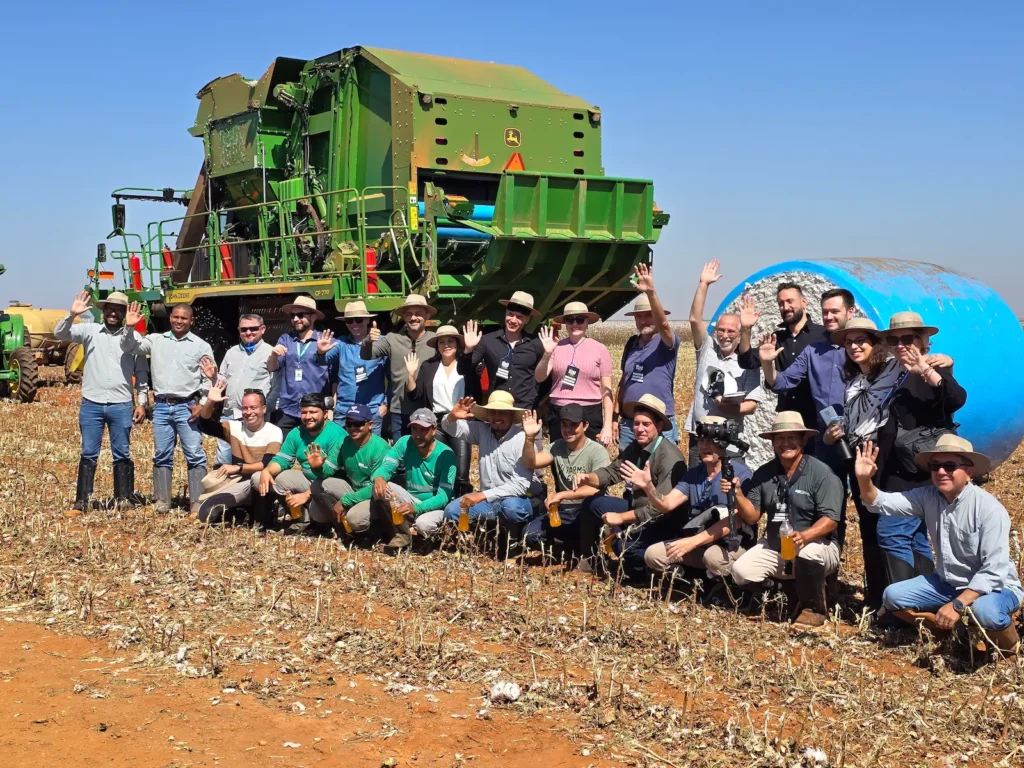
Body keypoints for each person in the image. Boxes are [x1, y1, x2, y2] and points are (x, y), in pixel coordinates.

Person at [855, 437, 1022, 656]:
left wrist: (957, 605)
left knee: (986, 612)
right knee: (893, 596)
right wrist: (864, 479)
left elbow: (993, 572)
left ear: (969, 472)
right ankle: (952, 632)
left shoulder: (989, 509)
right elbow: (879, 502)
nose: (941, 471)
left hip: (996, 587)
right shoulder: (927, 497)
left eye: (950, 466)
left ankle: (1009, 649)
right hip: (949, 583)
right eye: (935, 466)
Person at [873, 312, 967, 584]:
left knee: (891, 533)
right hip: (897, 469)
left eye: (907, 338)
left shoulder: (936, 368)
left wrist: (927, 370)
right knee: (915, 538)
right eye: (893, 339)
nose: (900, 344)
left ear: (923, 341)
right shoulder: (893, 372)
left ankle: (904, 605)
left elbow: (955, 398)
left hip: (917, 471)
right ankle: (925, 600)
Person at [729, 412, 844, 628]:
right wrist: (737, 495)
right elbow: (752, 516)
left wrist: (805, 536)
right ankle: (784, 593)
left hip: (818, 546)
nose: (785, 443)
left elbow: (831, 520)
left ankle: (815, 610)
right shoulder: (764, 473)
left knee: (809, 554)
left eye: (792, 438)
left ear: (803, 440)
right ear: (772, 443)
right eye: (779, 438)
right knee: (740, 571)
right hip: (778, 547)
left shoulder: (822, 474)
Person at [633, 416, 754, 593]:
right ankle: (690, 581)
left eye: (711, 441)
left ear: (723, 443)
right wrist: (649, 487)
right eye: (701, 441)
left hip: (731, 544)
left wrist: (691, 543)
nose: (705, 446)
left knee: (713, 558)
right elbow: (666, 504)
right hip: (700, 543)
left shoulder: (739, 473)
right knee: (653, 555)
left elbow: (736, 520)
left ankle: (731, 589)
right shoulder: (694, 474)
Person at [55, 291, 149, 514]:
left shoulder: (134, 338)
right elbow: (60, 334)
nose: (113, 313)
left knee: (122, 453)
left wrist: (142, 402)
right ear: (103, 311)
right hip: (92, 404)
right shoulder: (90, 331)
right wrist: (71, 314)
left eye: (118, 309)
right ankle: (82, 503)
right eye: (109, 309)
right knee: (88, 453)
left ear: (125, 313)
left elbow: (142, 373)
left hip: (121, 404)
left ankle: (123, 500)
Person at [573, 394, 687, 574]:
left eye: (646, 424)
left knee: (624, 546)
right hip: (636, 507)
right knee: (592, 503)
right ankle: (590, 559)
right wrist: (588, 478)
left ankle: (661, 568)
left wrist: (621, 518)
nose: (639, 429)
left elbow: (661, 509)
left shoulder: (670, 458)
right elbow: (612, 472)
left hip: (662, 522)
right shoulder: (635, 448)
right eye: (636, 423)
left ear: (659, 426)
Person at [122, 302, 215, 514]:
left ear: (192, 321)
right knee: (162, 454)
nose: (179, 321)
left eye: (184, 318)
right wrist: (129, 327)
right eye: (176, 317)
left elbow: (208, 378)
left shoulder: (201, 346)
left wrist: (201, 404)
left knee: (194, 454)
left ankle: (197, 504)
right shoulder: (156, 340)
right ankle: (162, 502)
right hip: (162, 407)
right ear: (170, 318)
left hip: (187, 407)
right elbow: (128, 347)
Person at [685, 260, 763, 466]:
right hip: (700, 436)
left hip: (729, 441)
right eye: (721, 330)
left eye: (731, 331)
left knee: (728, 491)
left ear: (739, 335)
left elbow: (752, 406)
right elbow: (694, 319)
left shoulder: (749, 364)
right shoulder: (707, 348)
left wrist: (729, 408)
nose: (725, 335)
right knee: (696, 490)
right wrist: (703, 284)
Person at [439, 393, 536, 537]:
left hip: (514, 499)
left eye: (502, 413)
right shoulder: (482, 430)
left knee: (512, 509)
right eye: (493, 412)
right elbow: (450, 428)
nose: (497, 417)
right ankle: (481, 535)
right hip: (487, 501)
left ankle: (515, 536)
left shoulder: (522, 438)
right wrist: (452, 417)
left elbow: (520, 486)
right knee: (452, 511)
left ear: (511, 415)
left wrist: (481, 495)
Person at [738, 282, 828, 435]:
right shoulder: (775, 339)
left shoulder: (823, 336)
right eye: (781, 303)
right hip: (786, 420)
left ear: (804, 302)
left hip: (817, 420)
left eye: (790, 301)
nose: (785, 307)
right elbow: (746, 361)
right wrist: (746, 329)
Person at [520, 405, 611, 553]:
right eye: (564, 425)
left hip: (588, 511)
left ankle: (581, 546)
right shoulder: (557, 446)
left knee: (587, 525)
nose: (567, 430)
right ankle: (568, 548)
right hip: (563, 511)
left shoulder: (597, 451)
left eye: (573, 425)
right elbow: (531, 462)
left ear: (585, 425)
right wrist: (529, 437)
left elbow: (596, 488)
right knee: (530, 535)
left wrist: (562, 495)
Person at [194, 381, 283, 526]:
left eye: (253, 407)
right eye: (245, 408)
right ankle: (244, 512)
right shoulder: (235, 427)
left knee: (257, 476)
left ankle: (263, 518)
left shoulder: (274, 431)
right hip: (239, 483)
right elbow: (204, 425)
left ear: (264, 409)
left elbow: (267, 464)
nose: (249, 412)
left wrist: (238, 468)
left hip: (264, 482)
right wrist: (210, 402)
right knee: (205, 513)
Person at [404, 324, 479, 491]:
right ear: (437, 346)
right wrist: (410, 375)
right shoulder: (428, 366)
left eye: (451, 341)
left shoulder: (466, 365)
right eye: (442, 342)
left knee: (461, 471)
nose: (446, 345)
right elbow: (415, 395)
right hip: (436, 422)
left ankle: (460, 508)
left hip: (460, 420)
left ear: (458, 344)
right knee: (436, 466)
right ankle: (437, 504)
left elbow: (477, 393)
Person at [369, 408, 456, 550]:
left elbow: (443, 497)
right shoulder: (405, 442)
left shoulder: (446, 455)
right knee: (381, 488)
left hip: (435, 506)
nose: (417, 435)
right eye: (414, 429)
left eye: (423, 430)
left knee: (424, 524)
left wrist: (416, 508)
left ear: (434, 430)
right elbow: (387, 465)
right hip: (411, 499)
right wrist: (379, 477)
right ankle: (401, 534)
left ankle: (429, 538)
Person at [616, 263, 681, 449]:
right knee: (629, 472)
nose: (643, 320)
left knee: (662, 472)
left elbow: (664, 325)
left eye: (648, 315)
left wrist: (651, 292)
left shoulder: (666, 342)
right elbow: (623, 382)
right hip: (630, 422)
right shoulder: (632, 344)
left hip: (660, 421)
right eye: (639, 316)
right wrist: (615, 418)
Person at [259, 393, 346, 526]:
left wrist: (306, 494)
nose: (308, 417)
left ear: (325, 414)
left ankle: (332, 522)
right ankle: (301, 517)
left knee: (318, 515)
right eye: (304, 412)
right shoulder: (296, 433)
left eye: (313, 412)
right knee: (263, 478)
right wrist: (266, 471)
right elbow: (283, 460)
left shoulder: (337, 435)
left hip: (331, 484)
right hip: (308, 479)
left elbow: (332, 474)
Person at [536, 301, 614, 447]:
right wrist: (546, 354)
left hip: (589, 413)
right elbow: (539, 377)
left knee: (590, 463)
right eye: (570, 320)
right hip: (559, 412)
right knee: (559, 462)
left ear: (587, 322)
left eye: (580, 319)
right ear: (565, 323)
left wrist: (608, 426)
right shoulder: (556, 347)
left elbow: (606, 391)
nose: (575, 324)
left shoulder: (600, 349)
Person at [361, 294, 437, 438]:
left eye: (418, 314)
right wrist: (368, 341)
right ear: (403, 317)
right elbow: (366, 355)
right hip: (399, 410)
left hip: (428, 409)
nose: (413, 318)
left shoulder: (435, 341)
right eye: (408, 314)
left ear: (427, 315)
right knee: (401, 454)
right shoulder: (392, 339)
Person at [310, 404, 391, 537]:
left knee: (355, 519)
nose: (352, 428)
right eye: (349, 423)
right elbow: (328, 471)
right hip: (353, 490)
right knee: (317, 485)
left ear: (370, 424)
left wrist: (345, 501)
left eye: (358, 424)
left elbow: (376, 487)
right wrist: (317, 467)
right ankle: (341, 526)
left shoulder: (380, 448)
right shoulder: (343, 442)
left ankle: (373, 532)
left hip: (374, 496)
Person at [314, 301, 389, 435]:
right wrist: (320, 352)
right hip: (344, 410)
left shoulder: (382, 342)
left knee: (370, 452)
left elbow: (393, 376)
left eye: (359, 320)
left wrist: (385, 405)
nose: (354, 324)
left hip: (372, 409)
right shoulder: (340, 343)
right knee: (340, 450)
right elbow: (321, 362)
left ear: (367, 320)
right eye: (349, 321)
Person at [463, 290, 546, 409]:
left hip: (525, 408)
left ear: (527, 319)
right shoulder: (487, 341)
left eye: (519, 317)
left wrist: (535, 399)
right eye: (510, 314)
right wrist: (468, 349)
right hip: (497, 408)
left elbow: (543, 379)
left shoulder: (536, 343)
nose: (513, 320)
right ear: (505, 313)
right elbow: (463, 370)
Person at [215, 313, 275, 466]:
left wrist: (265, 409)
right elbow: (222, 379)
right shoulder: (231, 352)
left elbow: (276, 385)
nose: (248, 332)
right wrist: (212, 376)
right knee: (223, 459)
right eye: (244, 329)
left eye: (253, 329)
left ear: (262, 329)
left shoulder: (270, 353)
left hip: (252, 416)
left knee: (251, 460)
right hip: (229, 413)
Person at [268, 295, 332, 434]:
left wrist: (331, 408)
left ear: (313, 317)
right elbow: (272, 367)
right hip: (288, 408)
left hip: (314, 410)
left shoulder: (324, 340)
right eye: (293, 315)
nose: (295, 319)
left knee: (314, 452)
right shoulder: (286, 339)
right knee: (283, 450)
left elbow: (335, 378)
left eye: (300, 315)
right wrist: (273, 355)